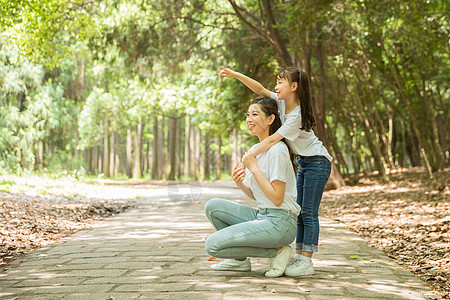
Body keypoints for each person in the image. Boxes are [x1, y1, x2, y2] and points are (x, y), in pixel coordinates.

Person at [219, 66, 332, 276]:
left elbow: (273, 139)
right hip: (305, 162)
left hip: (317, 161)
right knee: (298, 211)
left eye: (281, 82)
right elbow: (260, 89)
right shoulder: (281, 104)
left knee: (308, 212)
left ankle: (306, 260)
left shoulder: (296, 114)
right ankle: (298, 257)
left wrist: (248, 157)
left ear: (294, 86)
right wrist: (236, 75)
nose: (276, 86)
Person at [204, 97, 300, 278]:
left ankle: (277, 251)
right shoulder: (257, 149)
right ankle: (239, 261)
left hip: (281, 223)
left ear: (271, 119)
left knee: (213, 245)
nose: (249, 119)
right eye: (248, 115)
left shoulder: (277, 151)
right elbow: (259, 196)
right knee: (213, 207)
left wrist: (254, 168)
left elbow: (277, 198)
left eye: (255, 114)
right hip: (262, 215)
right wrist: (240, 183)